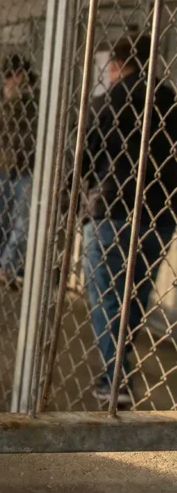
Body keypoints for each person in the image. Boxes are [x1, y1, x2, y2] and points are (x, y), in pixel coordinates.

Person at [82, 37, 177, 405]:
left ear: (116, 64)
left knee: (105, 295)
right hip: (160, 215)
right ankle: (117, 362)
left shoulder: (106, 99)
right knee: (135, 295)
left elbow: (86, 157)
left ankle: (114, 378)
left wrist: (77, 200)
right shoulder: (170, 101)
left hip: (112, 210)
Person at [0, 56, 39, 288]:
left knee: (23, 224)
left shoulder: (34, 103)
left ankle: (7, 265)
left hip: (25, 168)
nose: (13, 81)